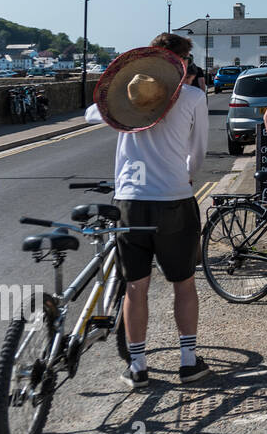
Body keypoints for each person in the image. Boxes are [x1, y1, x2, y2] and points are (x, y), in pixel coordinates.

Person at [85, 34, 209, 389]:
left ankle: (137, 366)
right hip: (173, 198)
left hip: (129, 201)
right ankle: (188, 362)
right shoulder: (192, 97)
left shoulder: (129, 95)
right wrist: (183, 175)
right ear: (182, 64)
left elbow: (92, 112)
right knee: (183, 283)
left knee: (135, 286)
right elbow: (198, 151)